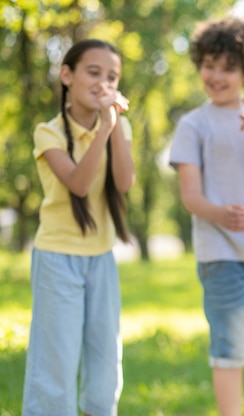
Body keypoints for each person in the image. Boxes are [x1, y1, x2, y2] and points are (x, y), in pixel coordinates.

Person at [168, 17, 244, 416]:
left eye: (228, 68)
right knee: (229, 345)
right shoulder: (193, 124)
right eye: (209, 64)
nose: (216, 75)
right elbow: (190, 196)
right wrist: (219, 214)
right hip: (218, 255)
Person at [22, 39, 135, 416]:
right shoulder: (47, 132)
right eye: (94, 72)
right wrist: (104, 129)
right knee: (56, 359)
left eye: (112, 76)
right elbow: (78, 184)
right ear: (67, 75)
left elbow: (124, 182)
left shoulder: (119, 126)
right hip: (56, 258)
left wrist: (114, 127)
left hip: (100, 258)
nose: (104, 81)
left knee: (106, 363)